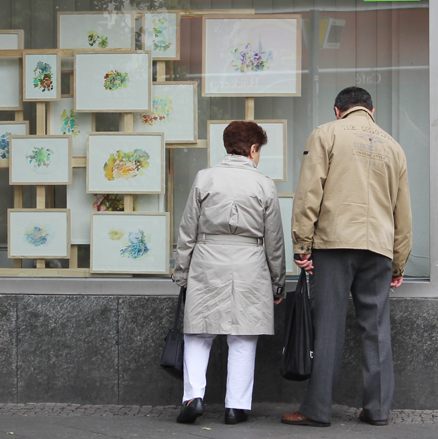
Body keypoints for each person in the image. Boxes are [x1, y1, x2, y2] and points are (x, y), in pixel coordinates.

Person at [281, 87, 412, 427]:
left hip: (336, 243)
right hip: (379, 249)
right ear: (373, 110)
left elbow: (310, 191)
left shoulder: (326, 133)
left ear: (338, 110)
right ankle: (378, 410)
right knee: (377, 330)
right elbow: (403, 212)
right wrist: (399, 262)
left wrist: (302, 244)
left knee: (328, 327)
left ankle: (316, 410)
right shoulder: (394, 147)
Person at [173, 121, 286, 425]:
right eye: (259, 150)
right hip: (250, 263)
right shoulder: (264, 184)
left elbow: (187, 231)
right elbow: (274, 239)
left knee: (199, 332)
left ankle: (193, 398)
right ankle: (236, 407)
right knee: (243, 335)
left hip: (207, 260)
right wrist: (278, 283)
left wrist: (181, 273)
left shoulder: (204, 178)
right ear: (252, 150)